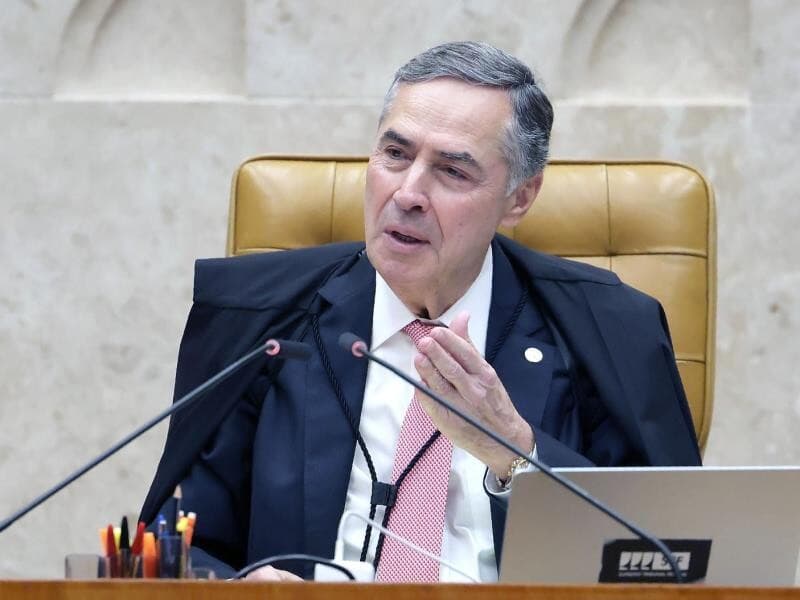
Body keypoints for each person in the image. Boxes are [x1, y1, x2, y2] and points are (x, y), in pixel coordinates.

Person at [140, 41, 700, 582]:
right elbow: (179, 545)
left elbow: (676, 555)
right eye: (395, 154)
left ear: (520, 198)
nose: (407, 193)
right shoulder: (262, 319)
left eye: (453, 171)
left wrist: (516, 453)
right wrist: (238, 588)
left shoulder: (607, 329)